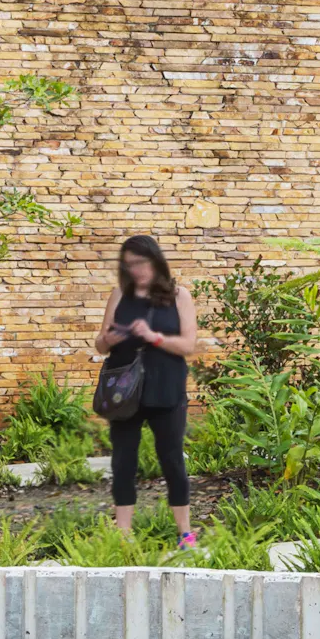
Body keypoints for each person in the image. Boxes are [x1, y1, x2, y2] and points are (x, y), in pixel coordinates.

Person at [96, 232, 202, 548]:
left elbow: (188, 344)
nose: (134, 270)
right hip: (125, 390)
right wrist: (108, 340)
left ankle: (185, 533)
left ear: (156, 261)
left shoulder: (179, 296)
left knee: (172, 459)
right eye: (128, 265)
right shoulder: (118, 295)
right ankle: (123, 535)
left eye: (140, 263)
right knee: (123, 460)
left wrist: (154, 337)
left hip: (166, 388)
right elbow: (99, 343)